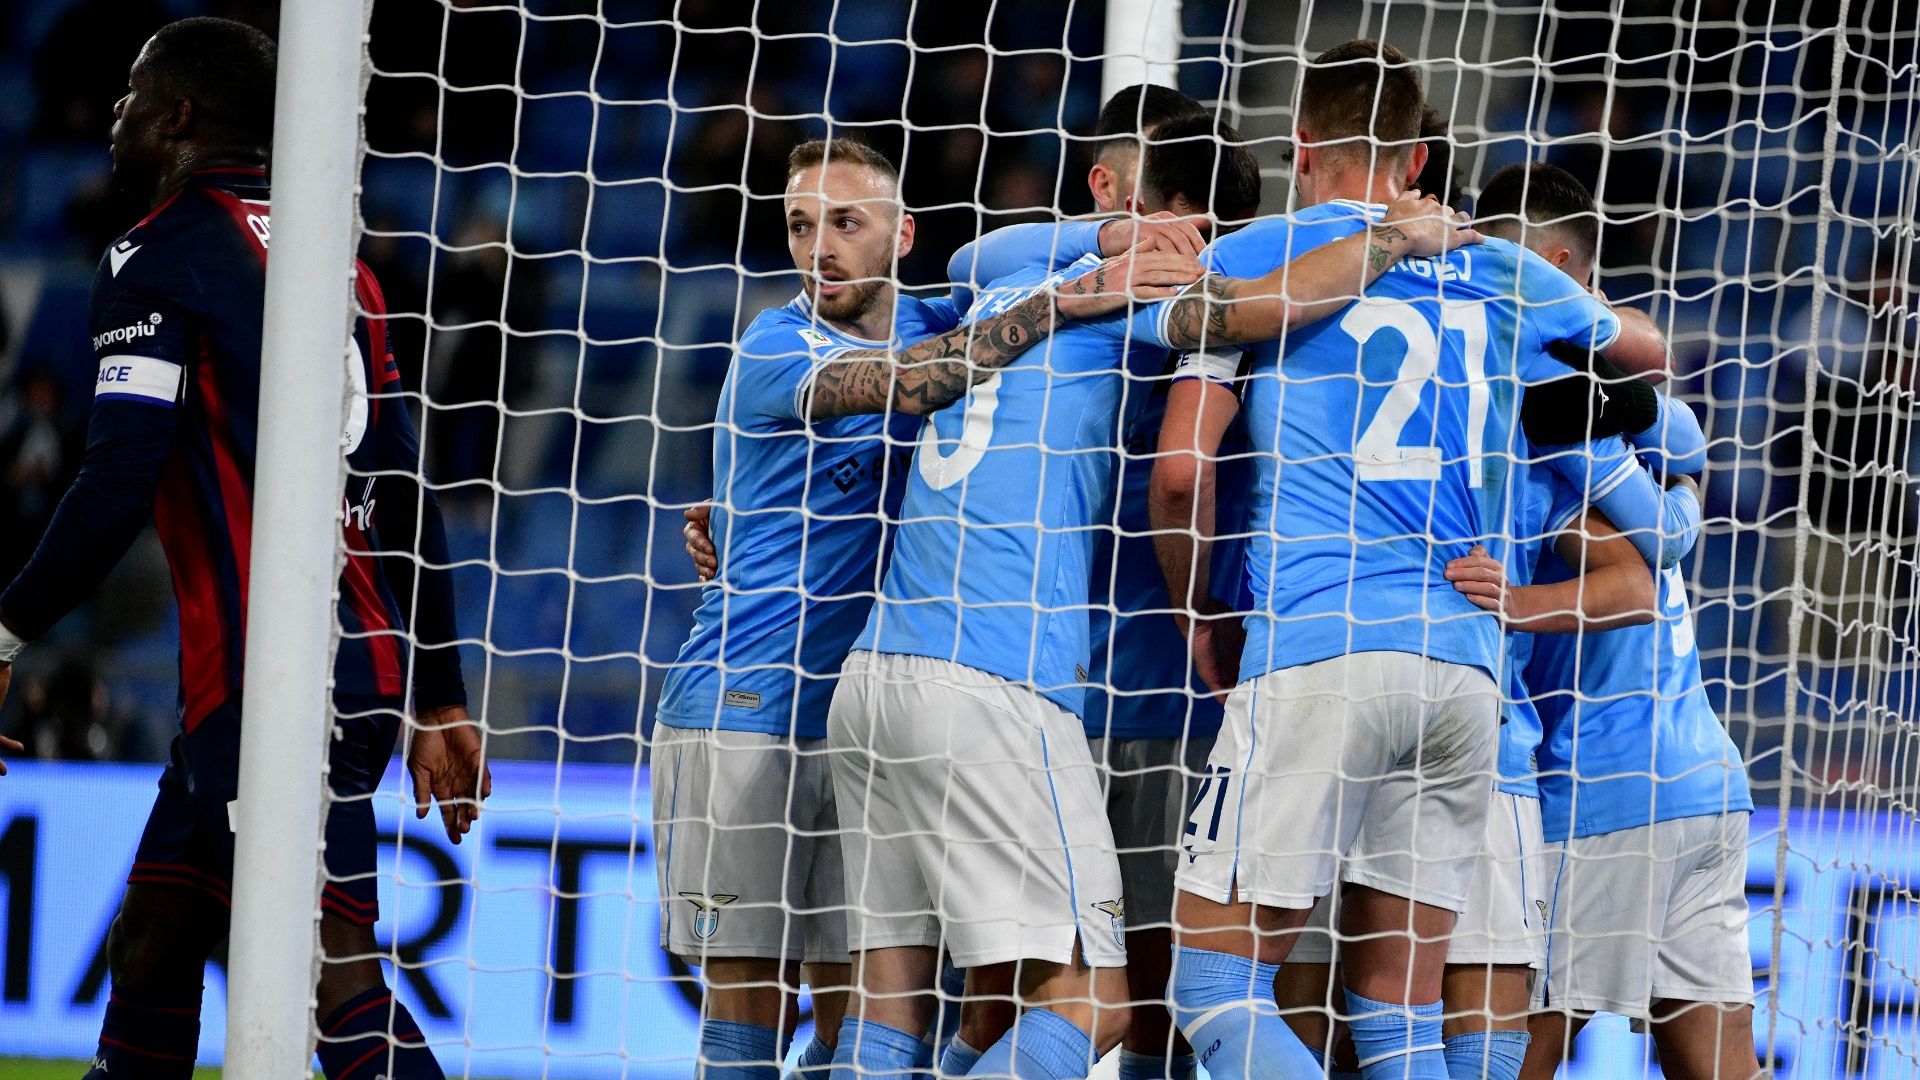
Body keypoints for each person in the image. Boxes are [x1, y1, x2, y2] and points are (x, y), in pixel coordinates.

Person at [824, 94, 1478, 1076]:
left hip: (919, 670)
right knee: (1122, 1000)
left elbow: (967, 259)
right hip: (1048, 677)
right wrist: (1390, 236)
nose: (1206, 251)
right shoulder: (1141, 299)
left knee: (926, 1000)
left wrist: (1109, 241)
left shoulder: (1013, 288)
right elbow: (1240, 332)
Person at [1134, 39, 1671, 1080]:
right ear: (1418, 160)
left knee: (1214, 988)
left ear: (1301, 147)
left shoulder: (1260, 253)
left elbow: (1180, 475)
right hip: (1464, 673)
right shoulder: (1499, 268)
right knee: (1399, 1016)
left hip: (1320, 637)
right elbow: (1645, 352)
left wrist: (1200, 609)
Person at [651, 135, 1200, 1079]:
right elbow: (917, 382)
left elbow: (993, 259)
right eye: (799, 225)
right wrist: (1070, 298)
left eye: (845, 223)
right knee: (750, 1018)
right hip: (745, 708)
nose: (820, 247)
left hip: (860, 705)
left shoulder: (942, 314)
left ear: (900, 235)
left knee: (858, 1020)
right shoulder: (778, 344)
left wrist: (1114, 234)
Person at [0, 18, 487, 1080]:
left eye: (134, 94)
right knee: (154, 939)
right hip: (352, 668)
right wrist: (440, 692)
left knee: (332, 974)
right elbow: (404, 491)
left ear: (179, 116)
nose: (116, 115)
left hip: (271, 687)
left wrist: (5, 630)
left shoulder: (158, 254)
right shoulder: (338, 263)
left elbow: (116, 481)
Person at [1274, 159, 1704, 1080]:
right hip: (1474, 722)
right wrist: (1681, 472)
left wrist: (1523, 600)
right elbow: (1663, 520)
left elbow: (1646, 553)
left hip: (1326, 679)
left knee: (1295, 999)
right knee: (1447, 1018)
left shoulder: (1319, 323)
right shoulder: (1547, 387)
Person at [1462, 171, 1760, 1080]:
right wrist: (1686, 497)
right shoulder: (1634, 410)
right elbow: (1678, 492)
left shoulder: (1546, 410)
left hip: (1607, 786)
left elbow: (1639, 574)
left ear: (1552, 268)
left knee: (1516, 1055)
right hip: (1704, 781)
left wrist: (1516, 602)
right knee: (1721, 1066)